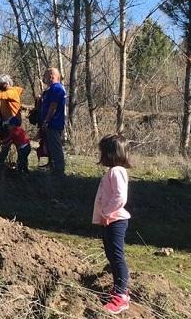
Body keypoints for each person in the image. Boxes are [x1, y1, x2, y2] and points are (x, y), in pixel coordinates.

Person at [93, 134, 132, 314]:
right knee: (111, 255)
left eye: (102, 152)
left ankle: (121, 296)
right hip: (110, 220)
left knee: (117, 256)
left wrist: (107, 213)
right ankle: (119, 289)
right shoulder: (113, 172)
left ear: (109, 154)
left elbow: (120, 197)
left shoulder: (116, 171)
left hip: (115, 220)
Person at [40, 67, 67, 177]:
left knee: (55, 146)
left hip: (53, 123)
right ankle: (52, 165)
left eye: (45, 76)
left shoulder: (57, 88)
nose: (44, 78)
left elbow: (53, 106)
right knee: (50, 146)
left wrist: (46, 120)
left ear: (52, 76)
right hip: (50, 123)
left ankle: (59, 170)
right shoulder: (51, 89)